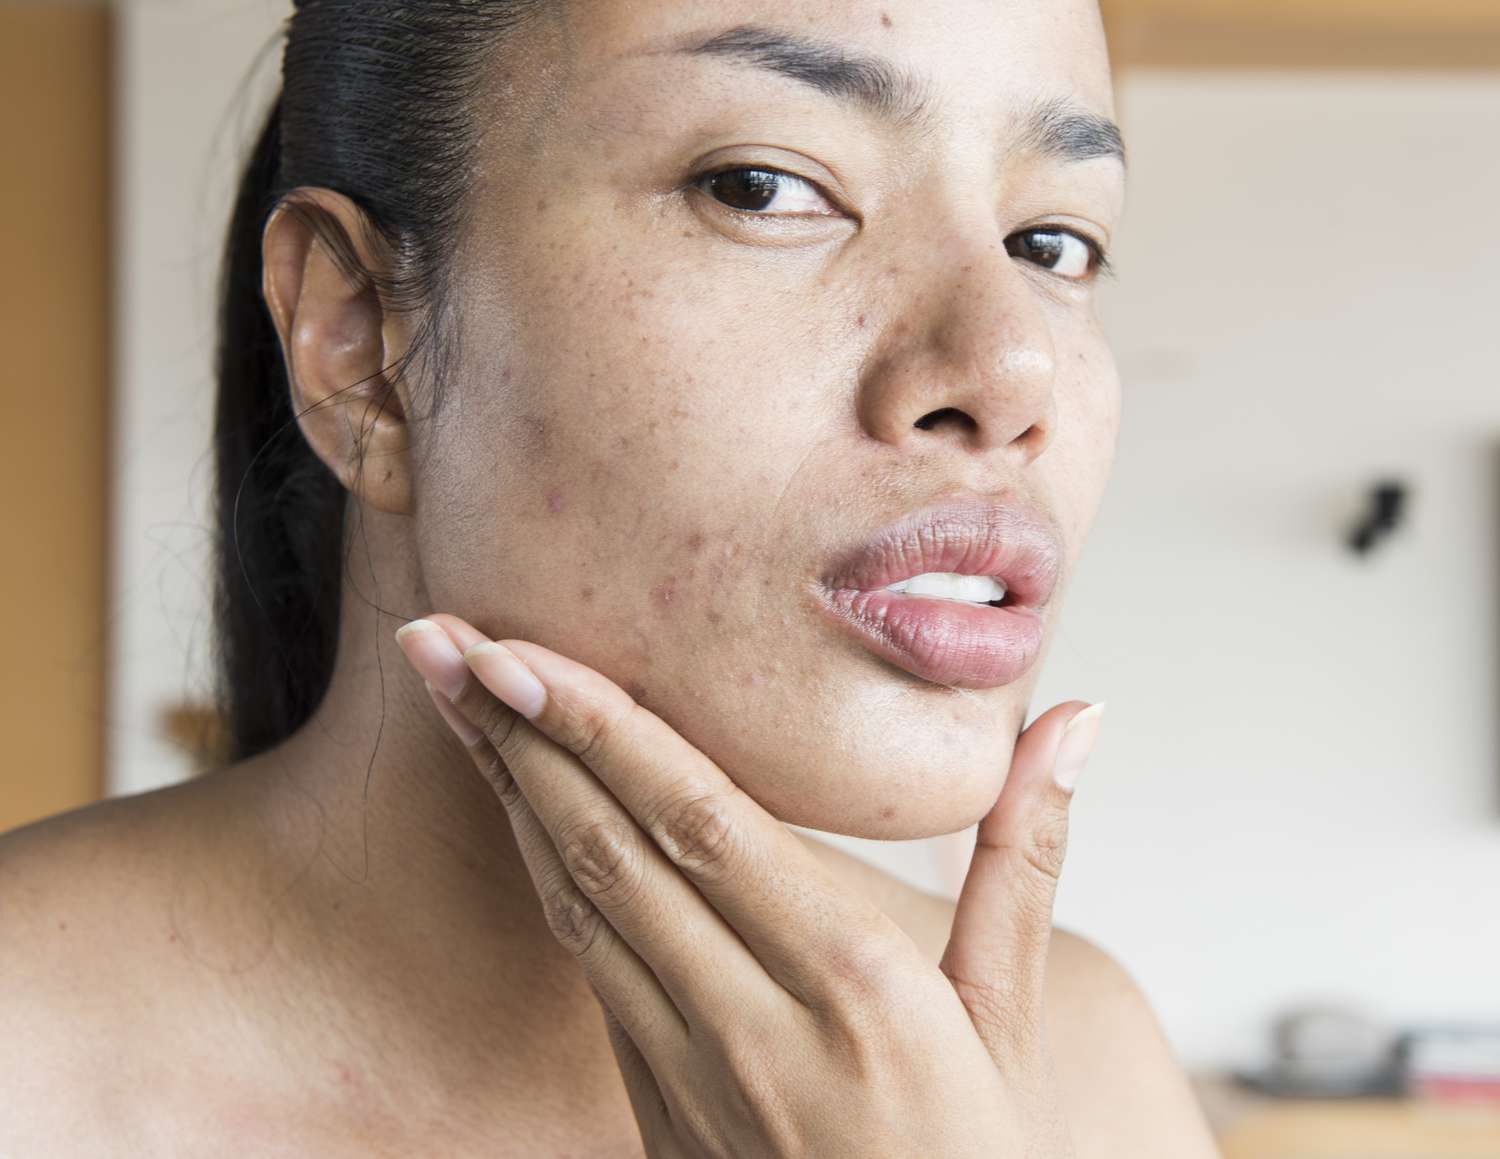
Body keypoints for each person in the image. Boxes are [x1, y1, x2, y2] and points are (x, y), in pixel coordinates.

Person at [0, 1, 1222, 1154]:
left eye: (1053, 243)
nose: (1012, 373)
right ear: (364, 340)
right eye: (767, 186)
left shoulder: (1094, 1074)